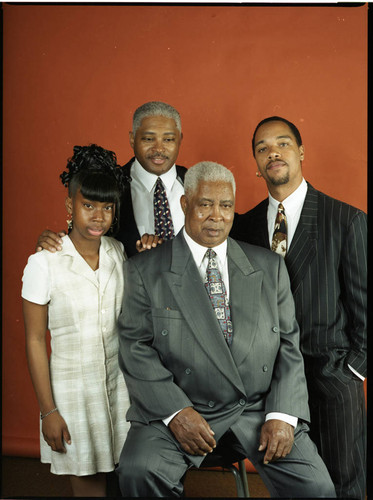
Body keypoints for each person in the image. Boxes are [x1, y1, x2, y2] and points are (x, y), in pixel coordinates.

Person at [116, 161, 336, 498]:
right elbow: (135, 347)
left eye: (226, 205)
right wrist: (176, 412)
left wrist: (283, 413)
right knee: (138, 470)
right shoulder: (145, 270)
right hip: (181, 408)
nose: (216, 216)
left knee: (316, 486)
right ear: (185, 204)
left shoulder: (269, 267)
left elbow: (289, 347)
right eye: (205, 204)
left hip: (257, 409)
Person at [231, 117, 367, 500]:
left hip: (330, 381)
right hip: (267, 388)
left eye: (283, 143)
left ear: (302, 152)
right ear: (256, 165)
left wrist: (352, 372)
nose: (273, 152)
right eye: (262, 148)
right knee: (291, 487)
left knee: (343, 487)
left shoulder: (346, 220)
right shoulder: (243, 228)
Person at [22, 145, 130, 497]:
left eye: (107, 207)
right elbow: (36, 340)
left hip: (121, 389)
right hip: (72, 395)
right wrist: (48, 411)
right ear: (70, 207)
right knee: (89, 488)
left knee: (128, 477)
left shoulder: (118, 252)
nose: (98, 217)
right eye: (88, 206)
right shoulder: (44, 263)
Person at [36, 101, 186, 257]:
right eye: (148, 139)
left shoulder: (199, 186)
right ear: (132, 139)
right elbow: (81, 244)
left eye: (168, 139)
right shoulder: (109, 185)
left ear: (180, 139)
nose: (159, 149)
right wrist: (54, 249)